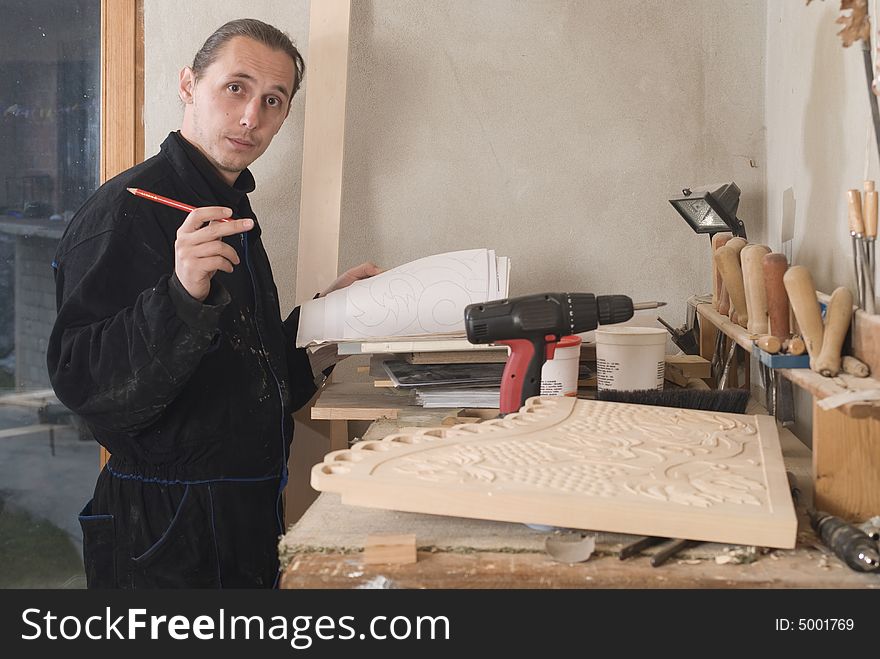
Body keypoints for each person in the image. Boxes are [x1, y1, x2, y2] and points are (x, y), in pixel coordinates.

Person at [47, 18, 379, 588]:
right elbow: (85, 385)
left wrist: (325, 321)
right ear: (187, 85)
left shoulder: (229, 210)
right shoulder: (124, 211)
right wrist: (180, 295)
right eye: (236, 87)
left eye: (273, 101)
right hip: (163, 535)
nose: (252, 116)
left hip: (246, 518)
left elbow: (246, 380)